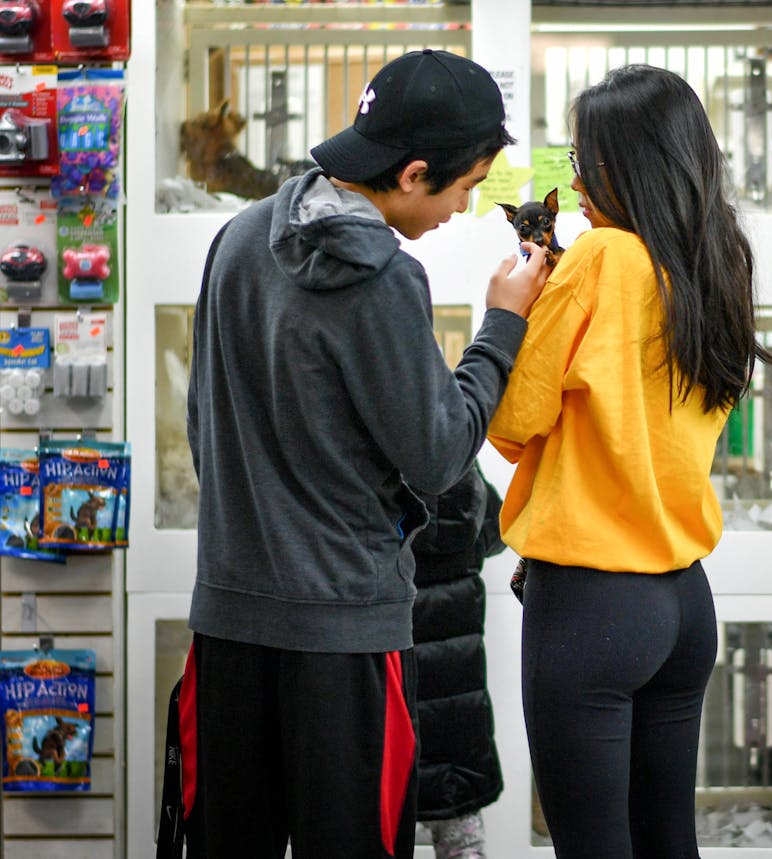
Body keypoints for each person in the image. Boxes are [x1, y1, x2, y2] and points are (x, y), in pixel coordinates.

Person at [182, 49, 550, 859]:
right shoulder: (382, 275)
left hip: (227, 623)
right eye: (467, 185)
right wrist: (503, 323)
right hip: (345, 638)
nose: (467, 205)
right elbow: (441, 454)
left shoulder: (240, 238)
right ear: (415, 173)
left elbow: (203, 429)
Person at [487, 64, 772, 859]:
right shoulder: (717, 262)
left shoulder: (599, 259)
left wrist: (508, 310)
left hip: (590, 605)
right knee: (667, 843)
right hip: (683, 603)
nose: (577, 180)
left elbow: (512, 423)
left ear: (634, 164)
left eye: (589, 160)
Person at [411, 462, 506, 859]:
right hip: (457, 707)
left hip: (383, 687)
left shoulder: (376, 473)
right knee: (461, 842)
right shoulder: (458, 466)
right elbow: (497, 528)